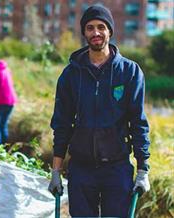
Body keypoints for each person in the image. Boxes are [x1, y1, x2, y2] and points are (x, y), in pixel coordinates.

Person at [48, 5, 150, 217]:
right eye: (90, 28)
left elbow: (138, 123)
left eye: (101, 27)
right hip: (81, 169)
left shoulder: (130, 72)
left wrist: (143, 170)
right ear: (84, 33)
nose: (96, 32)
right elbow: (62, 124)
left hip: (117, 167)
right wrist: (56, 171)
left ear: (110, 31)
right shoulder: (70, 75)